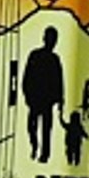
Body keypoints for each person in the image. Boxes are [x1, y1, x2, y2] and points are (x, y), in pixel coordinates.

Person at [23, 25, 65, 163]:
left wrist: (60, 100)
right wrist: (27, 94)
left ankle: (44, 154)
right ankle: (35, 146)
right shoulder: (35, 55)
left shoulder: (55, 59)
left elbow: (59, 80)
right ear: (45, 38)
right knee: (32, 127)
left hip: (47, 101)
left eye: (54, 39)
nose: (52, 42)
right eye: (50, 38)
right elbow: (27, 76)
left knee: (46, 129)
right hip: (35, 99)